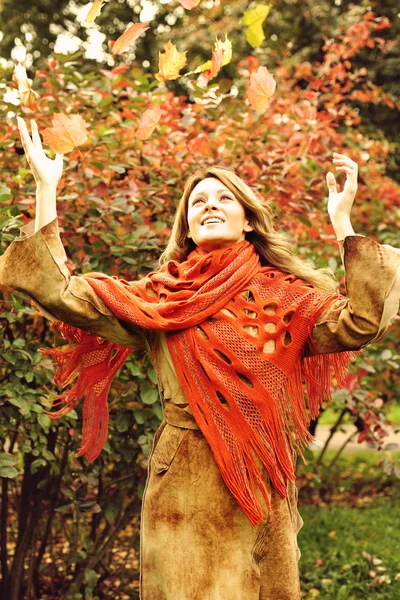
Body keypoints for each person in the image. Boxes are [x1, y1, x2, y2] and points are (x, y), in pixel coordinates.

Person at [0, 116, 399, 600]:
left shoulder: (284, 300)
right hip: (183, 481)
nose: (209, 206)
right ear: (187, 226)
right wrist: (46, 189)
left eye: (223, 198)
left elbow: (361, 320)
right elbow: (65, 293)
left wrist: (342, 222)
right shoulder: (158, 299)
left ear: (248, 219)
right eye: (198, 203)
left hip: (257, 481)